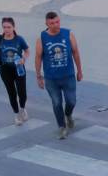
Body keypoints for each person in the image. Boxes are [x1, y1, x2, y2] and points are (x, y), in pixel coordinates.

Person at [34, 11, 83, 139]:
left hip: (68, 76)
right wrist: (38, 76)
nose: (55, 25)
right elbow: (38, 57)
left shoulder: (68, 34)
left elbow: (76, 53)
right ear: (46, 24)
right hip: (51, 79)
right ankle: (61, 127)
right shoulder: (42, 38)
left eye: (57, 22)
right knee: (56, 103)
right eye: (52, 23)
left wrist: (80, 70)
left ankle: (68, 115)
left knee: (71, 101)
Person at [0, 17, 29, 125]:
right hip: (5, 70)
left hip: (19, 68)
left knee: (22, 93)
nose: (6, 29)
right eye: (4, 27)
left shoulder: (19, 39)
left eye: (9, 27)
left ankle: (22, 108)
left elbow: (27, 51)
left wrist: (23, 59)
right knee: (11, 93)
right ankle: (16, 115)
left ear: (13, 27)